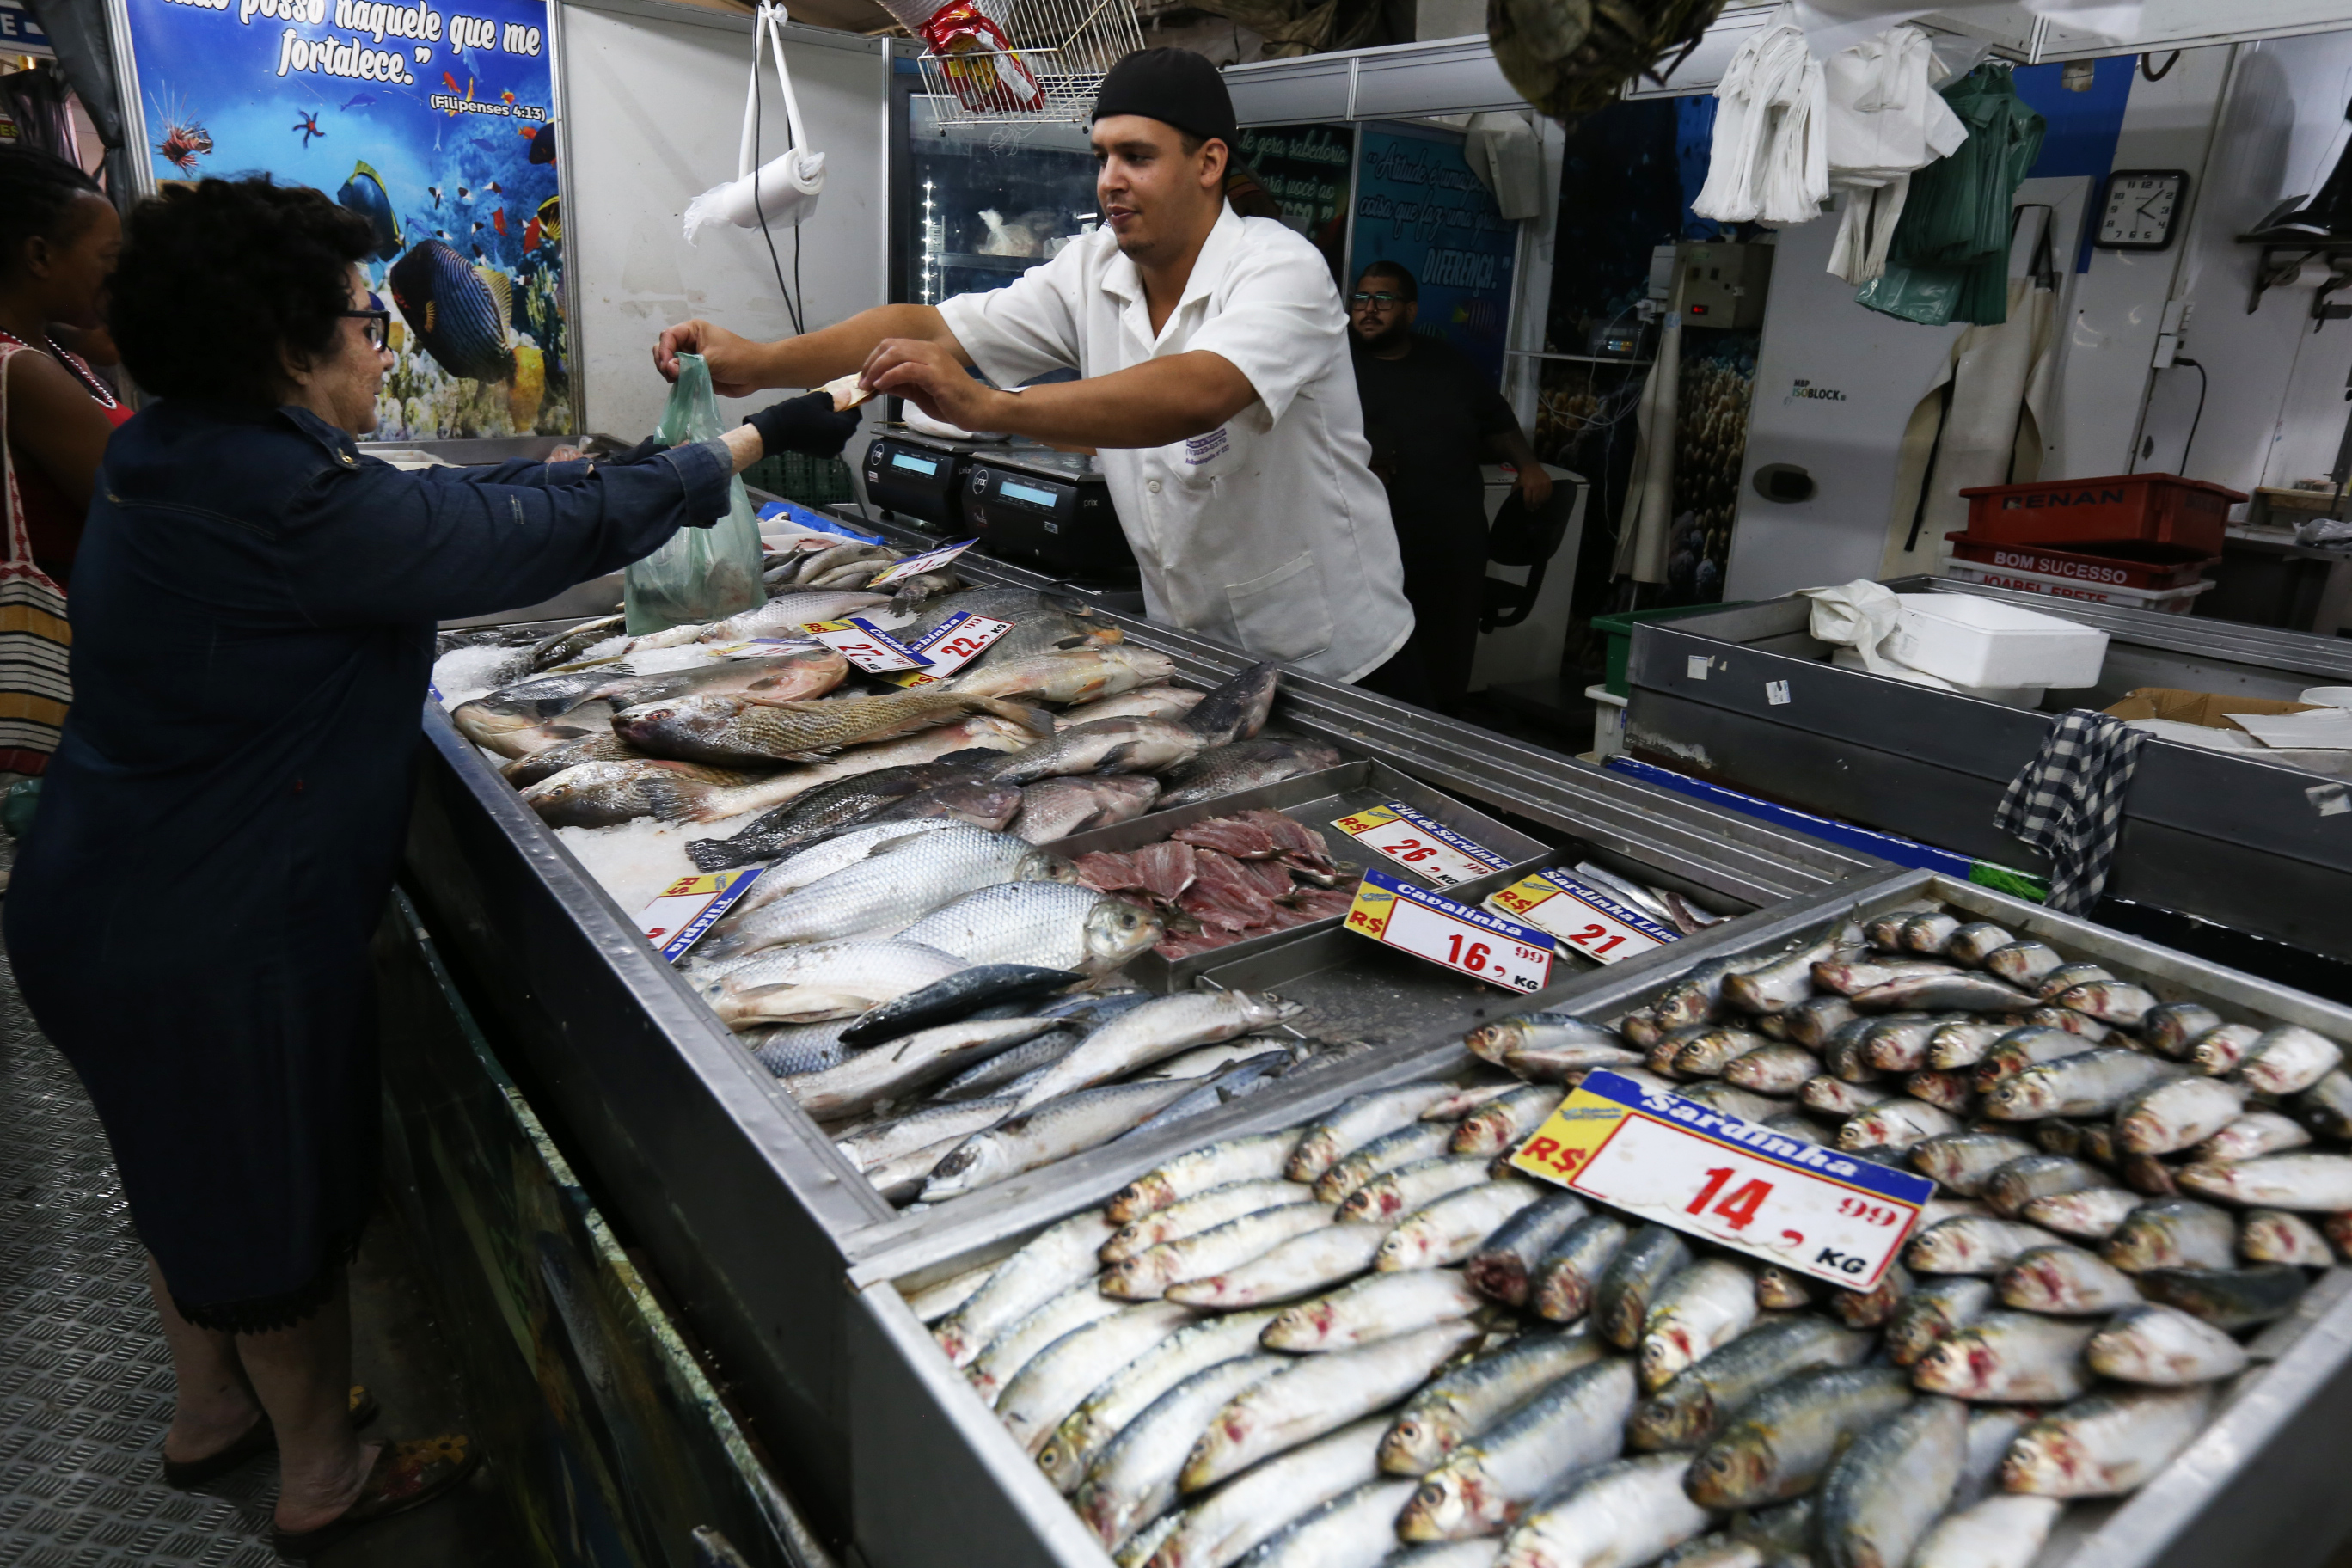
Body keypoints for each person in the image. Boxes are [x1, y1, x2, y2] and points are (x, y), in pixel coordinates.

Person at [0, 175, 849, 1556]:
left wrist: (596, 460)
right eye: (360, 317)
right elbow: (501, 538)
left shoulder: (188, 448)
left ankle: (210, 1413)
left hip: (103, 902)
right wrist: (738, 449)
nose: (383, 342)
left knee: (185, 1171)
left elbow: (448, 493)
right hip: (204, 930)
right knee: (266, 1194)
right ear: (289, 346)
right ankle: (327, 1476)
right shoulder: (282, 505)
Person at [656, 47, 1413, 687]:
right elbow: (933, 327)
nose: (1109, 180)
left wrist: (992, 409)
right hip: (1191, 643)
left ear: (1209, 162)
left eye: (1138, 157)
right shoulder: (1094, 267)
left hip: (1328, 655)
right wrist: (760, 363)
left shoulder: (1281, 268)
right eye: (1103, 157)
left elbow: (1200, 390)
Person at [1349, 260, 1553, 714]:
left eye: (1384, 300)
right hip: (1370, 541)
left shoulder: (1446, 363)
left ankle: (1442, 738)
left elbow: (1496, 422)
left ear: (1410, 311)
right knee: (1376, 654)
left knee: (1445, 652)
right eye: (1361, 298)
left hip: (1449, 537)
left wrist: (1529, 466)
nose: (1369, 309)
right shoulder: (1335, 365)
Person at [0, 148, 130, 594]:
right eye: (109, 257)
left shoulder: (48, 342)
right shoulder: (27, 376)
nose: (119, 276)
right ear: (39, 256)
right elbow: (145, 519)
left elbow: (109, 345)